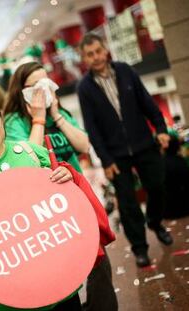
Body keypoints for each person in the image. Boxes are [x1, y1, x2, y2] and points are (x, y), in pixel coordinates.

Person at [0, 91, 109, 310]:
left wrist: (67, 178)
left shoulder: (33, 154)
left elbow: (64, 205)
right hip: (0, 296)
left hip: (55, 286)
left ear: (2, 122)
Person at [4, 62, 117, 311]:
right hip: (46, 209)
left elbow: (84, 145)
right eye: (35, 86)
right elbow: (27, 160)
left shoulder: (61, 113)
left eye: (46, 82)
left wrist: (55, 114)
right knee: (63, 268)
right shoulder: (14, 122)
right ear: (20, 91)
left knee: (99, 261)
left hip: (75, 198)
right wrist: (38, 119)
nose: (43, 90)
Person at [77, 33, 173, 268]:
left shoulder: (125, 71)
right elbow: (93, 129)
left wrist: (160, 128)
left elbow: (147, 103)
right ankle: (140, 248)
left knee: (157, 186)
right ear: (84, 59)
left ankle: (155, 222)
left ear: (105, 50)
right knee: (128, 203)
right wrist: (106, 160)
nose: (96, 57)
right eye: (90, 54)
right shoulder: (84, 88)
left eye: (98, 51)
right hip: (116, 156)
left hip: (144, 144)